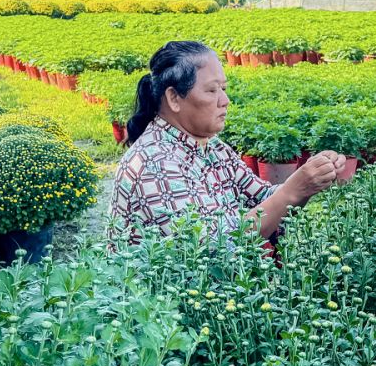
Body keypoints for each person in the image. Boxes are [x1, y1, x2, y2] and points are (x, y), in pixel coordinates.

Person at [107, 41, 346, 248]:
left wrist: (309, 179)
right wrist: (291, 191)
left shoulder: (212, 148)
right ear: (174, 98)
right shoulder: (154, 162)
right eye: (211, 90)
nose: (225, 101)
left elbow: (263, 199)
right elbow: (214, 249)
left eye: (224, 89)